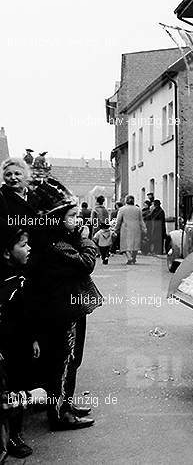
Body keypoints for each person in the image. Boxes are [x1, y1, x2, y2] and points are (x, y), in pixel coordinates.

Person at [26, 179, 101, 431]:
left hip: (65, 307)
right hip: (63, 311)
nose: (77, 220)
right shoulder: (56, 245)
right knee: (65, 359)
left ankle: (64, 404)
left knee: (69, 359)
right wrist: (86, 239)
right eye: (72, 215)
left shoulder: (55, 240)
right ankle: (59, 413)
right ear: (56, 218)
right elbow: (86, 262)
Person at [0, 226, 41, 459]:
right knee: (11, 390)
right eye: (23, 245)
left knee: (21, 385)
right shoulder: (5, 281)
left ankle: (16, 432)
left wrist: (33, 338)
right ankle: (12, 438)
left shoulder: (22, 275)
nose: (29, 248)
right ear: (7, 252)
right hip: (8, 346)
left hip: (23, 342)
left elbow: (27, 312)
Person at [115, 195, 147, 265]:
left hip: (125, 228)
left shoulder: (122, 209)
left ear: (126, 201)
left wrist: (116, 228)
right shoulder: (138, 209)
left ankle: (130, 258)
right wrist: (144, 228)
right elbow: (141, 220)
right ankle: (134, 258)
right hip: (136, 228)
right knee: (135, 244)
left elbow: (119, 220)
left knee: (125, 245)